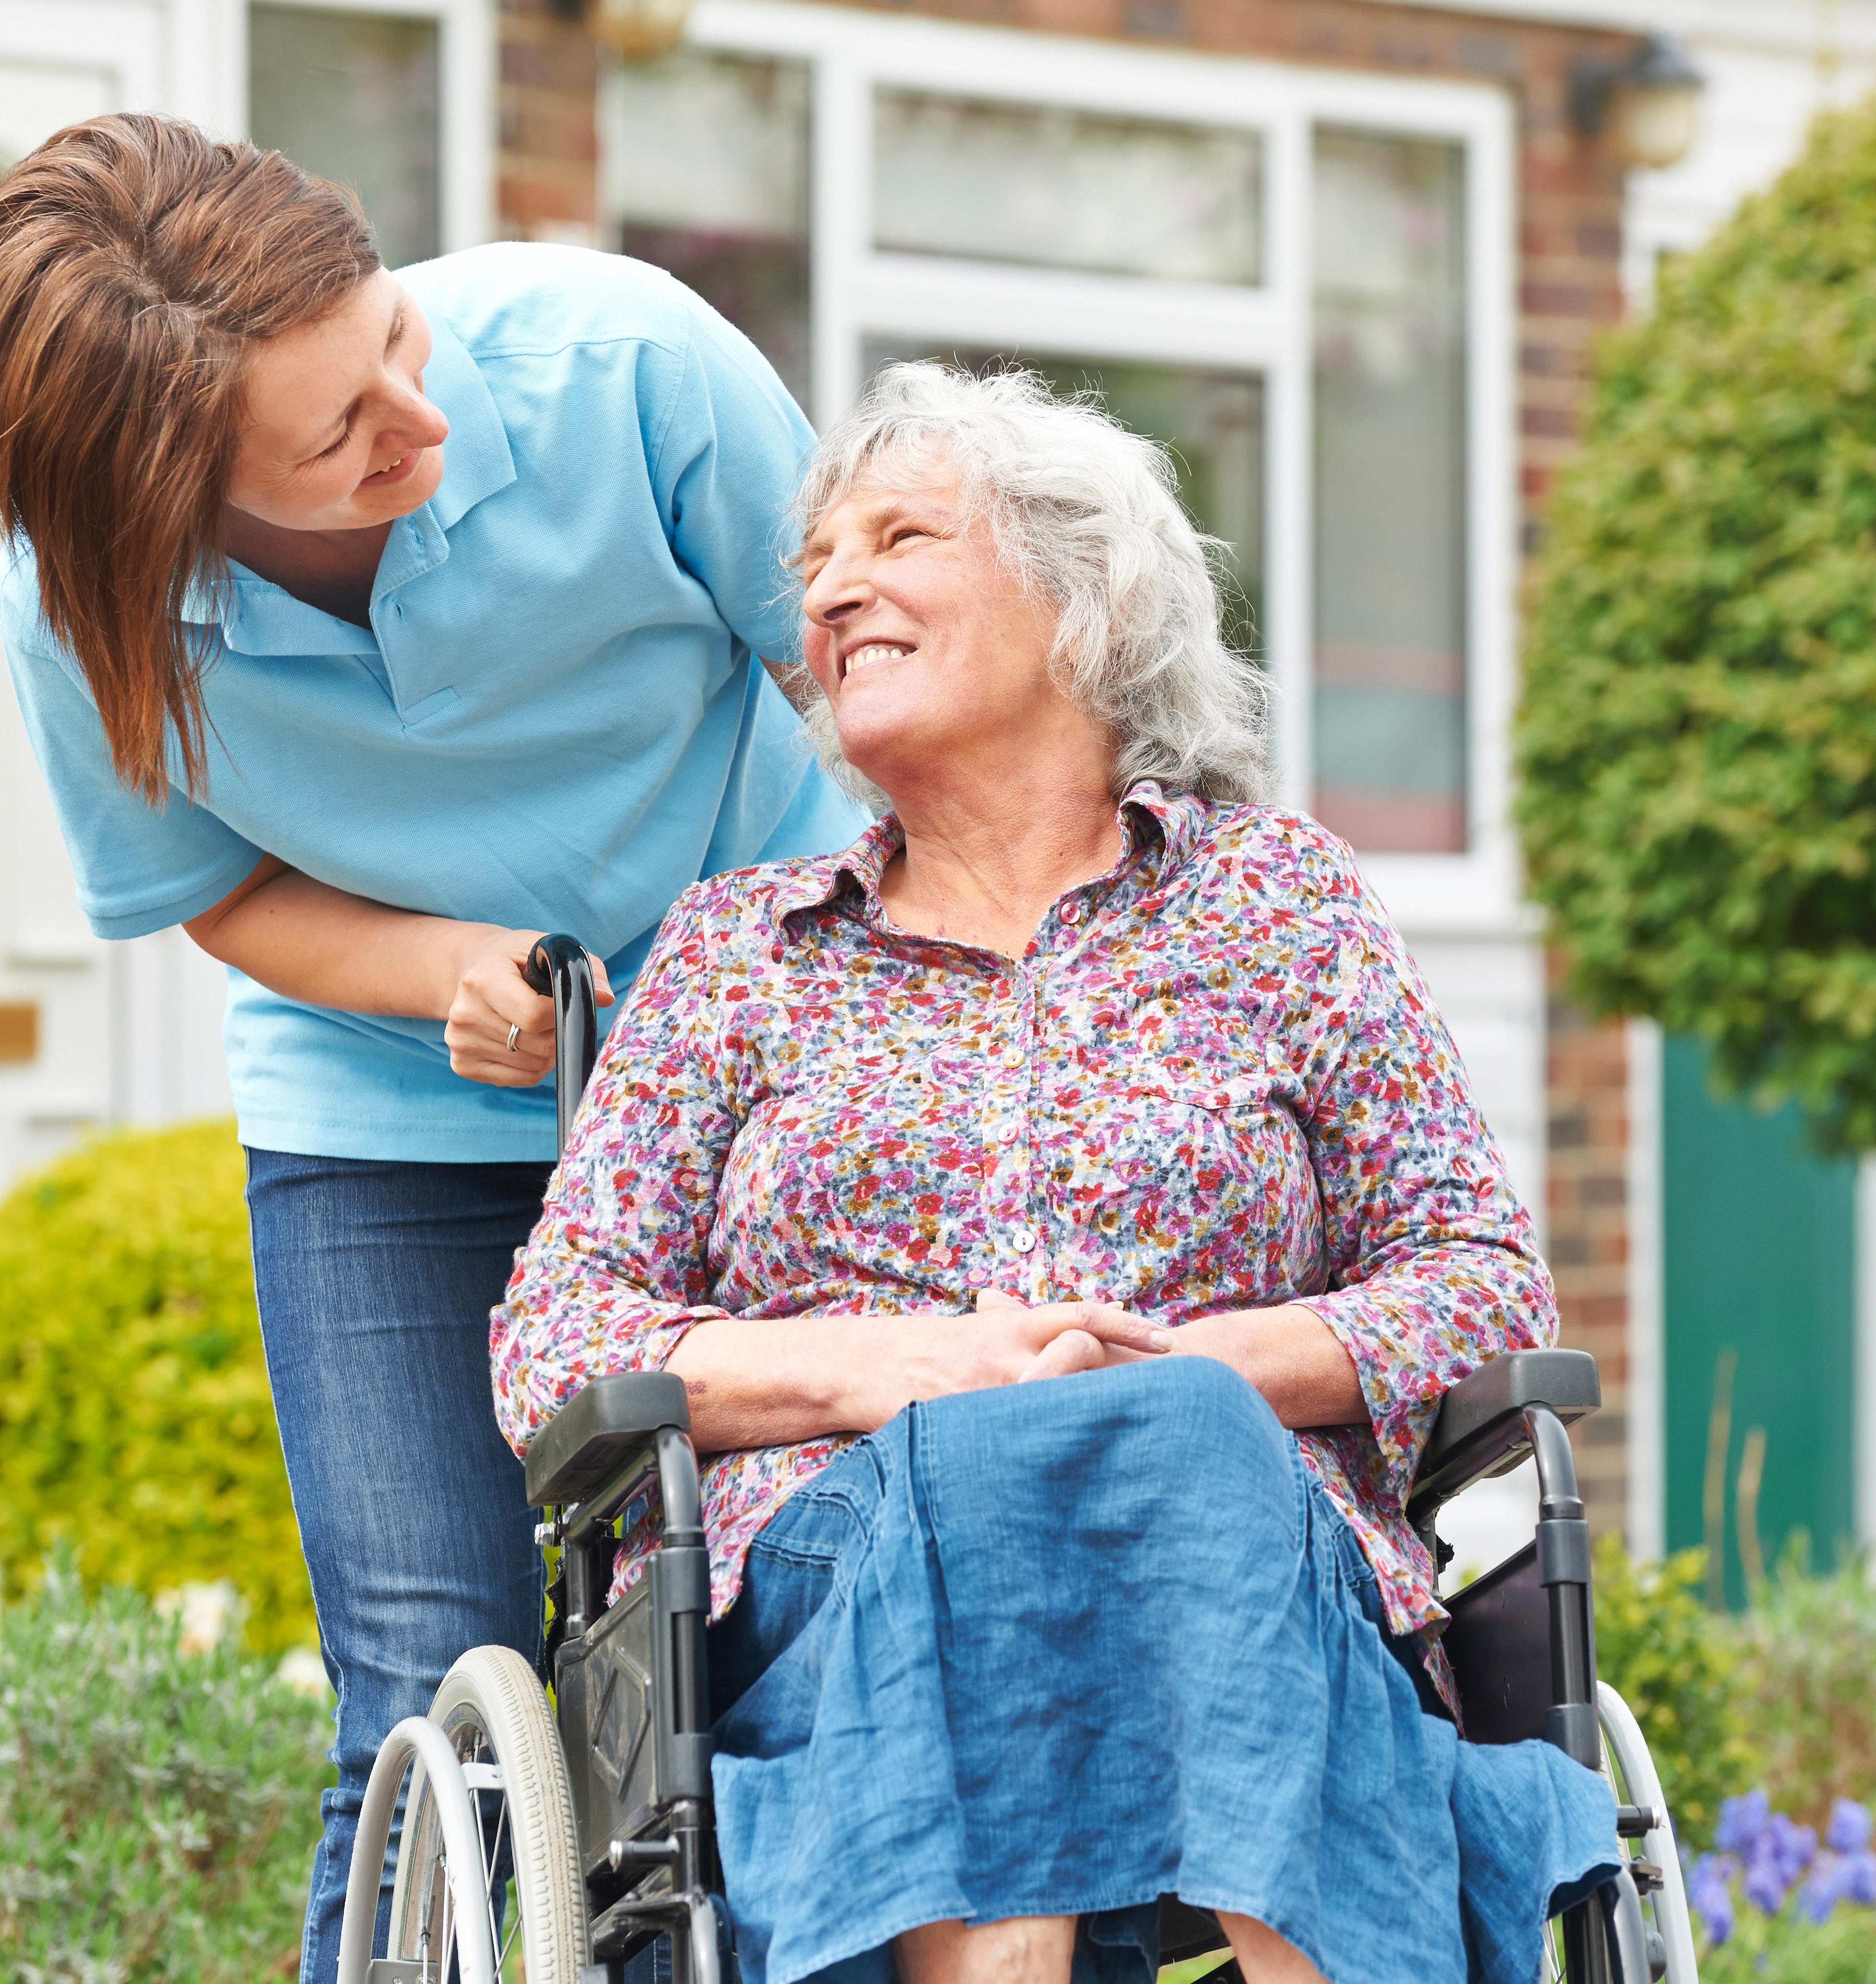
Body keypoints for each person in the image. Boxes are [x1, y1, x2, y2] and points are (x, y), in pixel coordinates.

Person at [494, 364, 1622, 1984]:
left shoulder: (1278, 907)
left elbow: (1476, 1281)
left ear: (1080, 599)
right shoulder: (738, 954)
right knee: (997, 1460)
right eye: (816, 561)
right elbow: (551, 1341)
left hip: (1239, 1565)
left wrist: (1200, 1373)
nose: (829, 587)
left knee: (1141, 1437)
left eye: (896, 536)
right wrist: (923, 1374)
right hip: (840, 1573)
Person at [0, 113, 870, 1983]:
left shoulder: (621, 363)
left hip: (764, 1093)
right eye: (338, 439)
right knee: (426, 1696)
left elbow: (871, 688)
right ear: (168, 512)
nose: (416, 427)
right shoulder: (84, 613)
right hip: (389, 1130)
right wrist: (443, 965)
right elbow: (213, 891)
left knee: (782, 1635)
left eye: (390, 340)